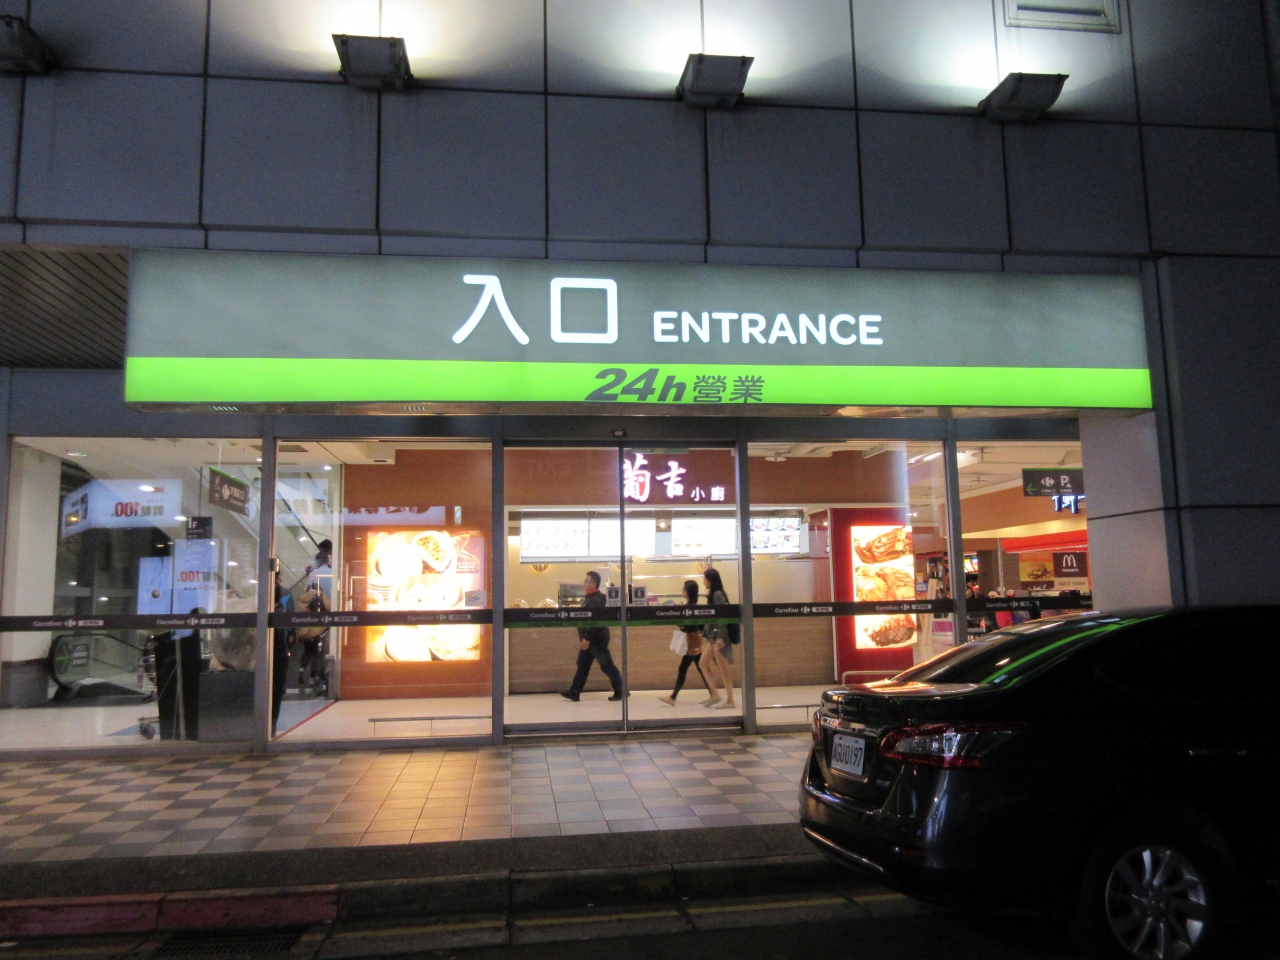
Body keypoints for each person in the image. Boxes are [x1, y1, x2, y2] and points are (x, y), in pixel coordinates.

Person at [560, 570, 624, 702]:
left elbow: (595, 621)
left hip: (596, 639)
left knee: (606, 665)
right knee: (582, 664)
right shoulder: (591, 598)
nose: (584, 583)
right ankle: (575, 691)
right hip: (591, 638)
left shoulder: (595, 600)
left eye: (586, 581)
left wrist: (587, 638)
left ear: (593, 584)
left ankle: (621, 690)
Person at [659, 580, 710, 706]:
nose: (682, 591)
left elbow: (686, 626)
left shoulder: (688, 608)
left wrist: (675, 617)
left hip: (691, 641)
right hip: (696, 639)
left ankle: (673, 697)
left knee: (684, 668)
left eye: (684, 589)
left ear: (688, 592)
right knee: (700, 667)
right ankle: (713, 693)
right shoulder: (694, 606)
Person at [700, 567, 736, 710]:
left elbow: (722, 617)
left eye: (705, 579)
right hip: (713, 637)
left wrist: (720, 637)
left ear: (710, 580)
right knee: (703, 663)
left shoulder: (718, 595)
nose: (703, 582)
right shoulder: (713, 594)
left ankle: (730, 700)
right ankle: (715, 694)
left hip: (719, 638)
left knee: (723, 668)